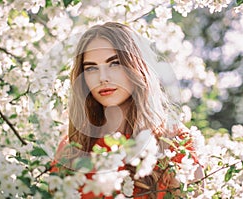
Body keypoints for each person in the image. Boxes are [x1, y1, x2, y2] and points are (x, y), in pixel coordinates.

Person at [50, 22, 204, 198]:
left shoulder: (174, 141)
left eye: (114, 64)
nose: (103, 77)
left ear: (136, 66)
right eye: (91, 68)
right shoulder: (71, 148)